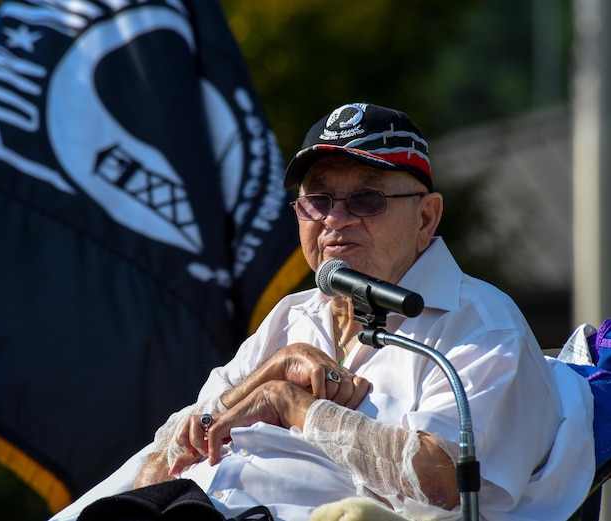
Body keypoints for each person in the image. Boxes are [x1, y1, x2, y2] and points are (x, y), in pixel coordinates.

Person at [49, 102, 595, 521]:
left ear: (426, 219)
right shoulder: (292, 317)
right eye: (317, 199)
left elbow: (441, 482)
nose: (336, 219)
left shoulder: (480, 322)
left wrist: (293, 406)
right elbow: (175, 451)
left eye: (367, 199)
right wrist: (271, 373)